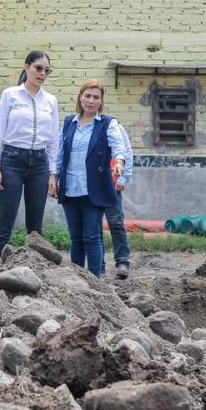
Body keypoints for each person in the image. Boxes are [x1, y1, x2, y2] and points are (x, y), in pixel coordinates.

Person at [0, 51, 59, 262]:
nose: (42, 74)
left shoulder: (51, 101)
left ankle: (36, 275)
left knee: (35, 227)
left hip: (39, 162)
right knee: (5, 222)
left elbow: (54, 139)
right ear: (26, 67)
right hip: (11, 160)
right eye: (38, 68)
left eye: (47, 70)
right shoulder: (10, 95)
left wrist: (52, 173)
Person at [55, 78, 126, 277]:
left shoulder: (107, 123)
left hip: (94, 188)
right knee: (76, 237)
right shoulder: (69, 122)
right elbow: (60, 153)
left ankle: (95, 278)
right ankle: (77, 278)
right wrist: (54, 178)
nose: (91, 100)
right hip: (70, 188)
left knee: (92, 235)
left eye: (96, 97)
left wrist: (119, 161)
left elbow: (118, 145)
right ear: (80, 97)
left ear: (101, 101)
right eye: (87, 96)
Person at [102, 122, 134, 279]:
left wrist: (123, 178)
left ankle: (123, 262)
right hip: (89, 183)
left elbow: (126, 151)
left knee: (115, 222)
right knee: (92, 225)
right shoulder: (84, 125)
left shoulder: (115, 126)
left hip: (112, 182)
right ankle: (98, 264)